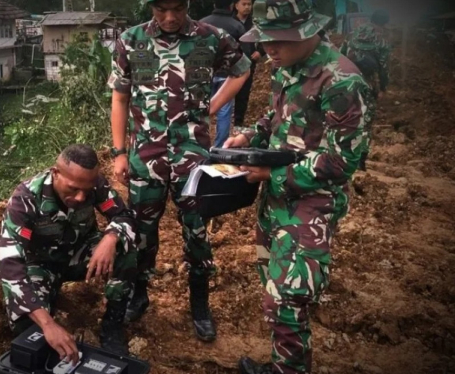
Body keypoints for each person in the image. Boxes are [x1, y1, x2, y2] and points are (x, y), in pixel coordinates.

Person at [223, 1, 371, 373]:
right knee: (273, 288)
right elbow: (278, 118)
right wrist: (248, 137)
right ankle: (283, 365)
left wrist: (270, 176)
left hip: (312, 206)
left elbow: (341, 162)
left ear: (307, 32)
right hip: (277, 199)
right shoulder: (284, 67)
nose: (269, 48)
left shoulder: (342, 81)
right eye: (265, 39)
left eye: (278, 40)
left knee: (287, 299)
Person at [108, 0, 251, 342]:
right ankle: (139, 295)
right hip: (146, 154)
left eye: (177, 8)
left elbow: (241, 70)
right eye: (161, 9)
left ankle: (200, 305)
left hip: (193, 156)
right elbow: (120, 97)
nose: (170, 17)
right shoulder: (131, 40)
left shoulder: (211, 37)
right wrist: (119, 153)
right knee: (142, 229)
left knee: (197, 230)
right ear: (150, 7)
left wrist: (212, 107)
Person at [0, 145, 137, 363]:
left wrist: (111, 237)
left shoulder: (95, 185)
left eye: (86, 190)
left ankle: (112, 326)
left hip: (81, 256)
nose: (81, 197)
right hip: (41, 266)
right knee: (28, 328)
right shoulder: (25, 199)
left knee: (125, 248)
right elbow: (9, 265)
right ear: (55, 173)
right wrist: (47, 324)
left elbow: (124, 216)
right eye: (73, 189)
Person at [340, 9, 391, 171]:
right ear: (383, 24)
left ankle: (342, 155)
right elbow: (384, 68)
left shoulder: (353, 33)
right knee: (366, 122)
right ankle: (360, 160)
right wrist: (382, 88)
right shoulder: (382, 40)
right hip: (367, 84)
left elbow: (340, 55)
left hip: (345, 81)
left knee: (344, 117)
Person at [200, 0, 247, 148]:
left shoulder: (201, 24)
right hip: (228, 76)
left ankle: (200, 143)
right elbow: (245, 54)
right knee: (224, 111)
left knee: (200, 110)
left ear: (214, 5)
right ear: (231, 5)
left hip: (206, 74)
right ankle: (220, 147)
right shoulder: (237, 25)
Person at [233, 0, 266, 129]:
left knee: (243, 93)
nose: (247, 7)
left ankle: (238, 122)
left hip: (248, 63)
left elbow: (264, 38)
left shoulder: (255, 23)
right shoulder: (231, 22)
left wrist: (260, 52)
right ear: (236, 6)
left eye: (249, 4)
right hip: (232, 63)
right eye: (244, 4)